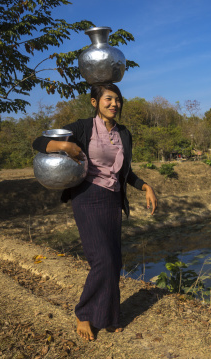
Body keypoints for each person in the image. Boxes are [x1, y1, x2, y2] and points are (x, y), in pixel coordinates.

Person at [32, 83, 158, 341]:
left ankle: (108, 316)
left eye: (117, 100)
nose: (114, 104)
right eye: (108, 99)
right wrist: (65, 147)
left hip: (112, 199)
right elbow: (40, 141)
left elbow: (123, 172)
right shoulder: (82, 127)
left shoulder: (124, 133)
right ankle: (84, 313)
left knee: (114, 259)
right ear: (94, 102)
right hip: (88, 196)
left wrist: (145, 186)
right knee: (102, 258)